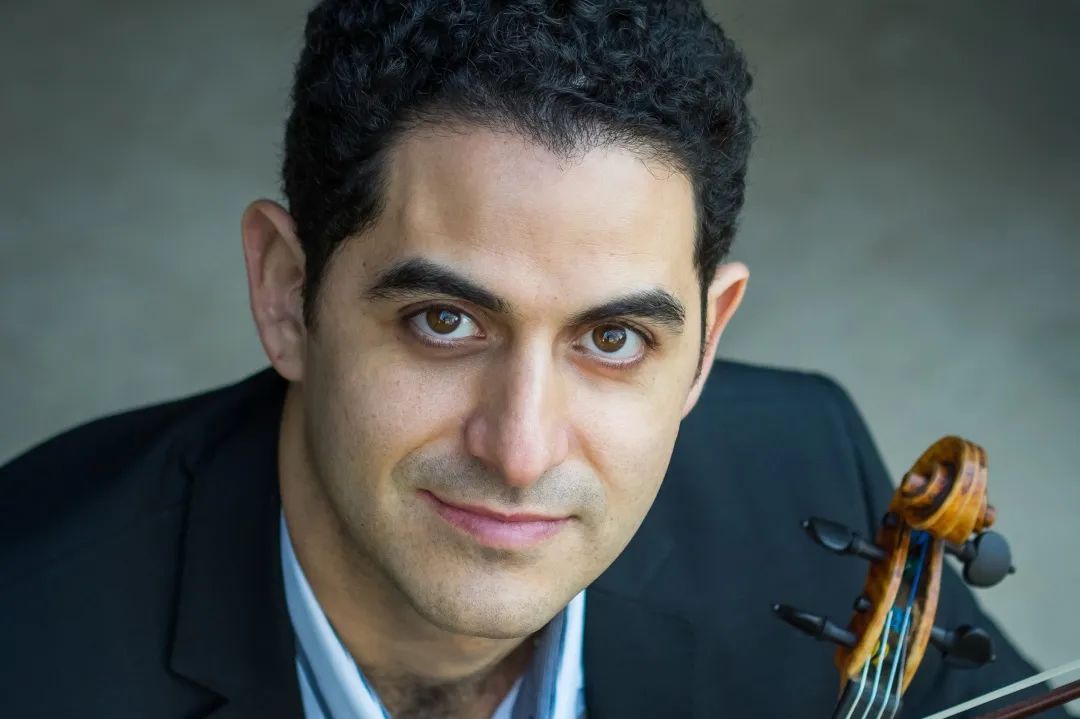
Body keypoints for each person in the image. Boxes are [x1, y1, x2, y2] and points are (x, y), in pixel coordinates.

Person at [0, 1, 1066, 718]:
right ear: (288, 294)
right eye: (443, 322)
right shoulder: (27, 639)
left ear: (707, 343)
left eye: (614, 339)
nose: (519, 449)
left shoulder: (800, 479)